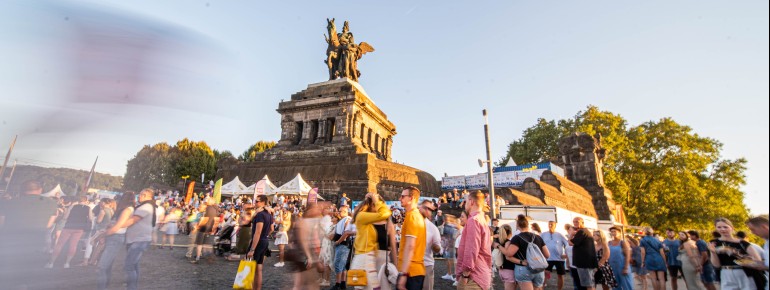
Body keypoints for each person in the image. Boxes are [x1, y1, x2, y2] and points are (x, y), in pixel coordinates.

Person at [708, 217, 763, 290]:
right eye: (719, 227)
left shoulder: (742, 243)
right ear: (716, 228)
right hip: (725, 273)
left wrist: (735, 253)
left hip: (744, 272)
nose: (722, 229)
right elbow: (716, 265)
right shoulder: (714, 243)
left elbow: (757, 261)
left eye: (725, 227)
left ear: (732, 228)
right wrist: (713, 252)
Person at [455, 190, 493, 290]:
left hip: (473, 277)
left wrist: (465, 275)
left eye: (466, 201)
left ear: (471, 202)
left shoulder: (473, 220)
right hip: (481, 274)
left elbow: (471, 250)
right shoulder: (482, 219)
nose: (465, 205)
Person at [119, 189, 156, 290]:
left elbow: (133, 220)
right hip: (137, 239)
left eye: (140, 195)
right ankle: (132, 285)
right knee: (134, 265)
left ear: (145, 195)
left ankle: (131, 287)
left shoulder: (146, 207)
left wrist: (118, 226)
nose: (139, 197)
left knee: (129, 265)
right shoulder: (147, 206)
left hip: (139, 240)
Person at [98, 192, 135, 290]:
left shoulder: (127, 210)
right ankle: (104, 286)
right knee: (107, 265)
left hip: (116, 237)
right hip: (114, 236)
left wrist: (102, 235)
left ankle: (102, 287)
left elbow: (117, 227)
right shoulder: (125, 209)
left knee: (102, 265)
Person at [505, 214, 550, 290]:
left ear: (517, 225)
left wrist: (506, 245)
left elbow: (509, 254)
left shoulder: (517, 238)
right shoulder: (538, 237)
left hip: (524, 269)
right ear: (528, 225)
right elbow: (547, 255)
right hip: (538, 269)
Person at [47, 195, 93, 268]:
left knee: (59, 244)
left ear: (78, 200)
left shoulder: (72, 207)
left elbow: (65, 217)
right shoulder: (88, 208)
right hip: (79, 229)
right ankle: (67, 263)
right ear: (86, 200)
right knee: (73, 245)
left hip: (68, 227)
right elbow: (90, 219)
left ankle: (51, 263)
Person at [397, 186, 427, 290]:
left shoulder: (412, 216)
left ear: (411, 198)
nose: (400, 199)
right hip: (413, 271)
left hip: (411, 272)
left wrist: (404, 274)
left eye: (402, 196)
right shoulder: (415, 215)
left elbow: (410, 246)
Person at [246, 195, 274, 290]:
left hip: (258, 242)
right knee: (259, 268)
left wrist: (252, 249)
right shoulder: (269, 214)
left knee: (252, 269)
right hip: (264, 241)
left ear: (263, 202)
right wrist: (265, 235)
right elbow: (272, 229)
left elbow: (257, 232)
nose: (255, 203)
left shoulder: (260, 215)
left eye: (257, 201)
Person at [418, 200, 442, 290]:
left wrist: (436, 247)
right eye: (426, 208)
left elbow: (439, 248)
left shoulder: (433, 228)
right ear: (419, 208)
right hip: (412, 265)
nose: (429, 211)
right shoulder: (411, 223)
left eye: (431, 210)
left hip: (426, 265)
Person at [571, 217, 599, 290]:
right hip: (587, 263)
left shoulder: (582, 231)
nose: (575, 223)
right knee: (590, 284)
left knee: (588, 284)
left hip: (584, 263)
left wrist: (570, 235)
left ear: (582, 222)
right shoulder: (585, 231)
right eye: (574, 222)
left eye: (577, 221)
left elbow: (571, 243)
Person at [541, 220, 570, 290]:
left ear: (555, 226)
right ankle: (541, 288)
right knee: (544, 274)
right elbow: (539, 244)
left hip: (559, 259)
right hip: (547, 258)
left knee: (560, 275)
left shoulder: (560, 235)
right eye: (549, 224)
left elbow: (568, 245)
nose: (550, 226)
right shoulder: (543, 234)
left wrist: (566, 254)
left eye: (552, 224)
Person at [745, 216, 769, 290]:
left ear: (764, 227)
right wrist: (757, 262)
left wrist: (763, 267)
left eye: (753, 229)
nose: (752, 233)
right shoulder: (766, 242)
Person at [331, 205, 352, 290]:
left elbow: (346, 233)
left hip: (343, 244)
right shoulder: (343, 220)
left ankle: (337, 284)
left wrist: (338, 241)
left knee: (338, 264)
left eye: (340, 211)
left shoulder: (347, 219)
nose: (338, 213)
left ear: (345, 212)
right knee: (342, 265)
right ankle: (343, 284)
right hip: (341, 243)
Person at [494, 223, 516, 290]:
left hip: (502, 270)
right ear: (510, 233)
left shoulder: (499, 243)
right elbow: (508, 255)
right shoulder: (508, 243)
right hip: (509, 271)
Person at [441, 214, 458, 283]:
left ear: (444, 219)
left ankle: (450, 274)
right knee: (452, 260)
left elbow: (447, 237)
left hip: (448, 245)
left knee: (449, 260)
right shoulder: (453, 225)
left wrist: (446, 246)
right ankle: (451, 274)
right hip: (452, 244)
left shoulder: (447, 226)